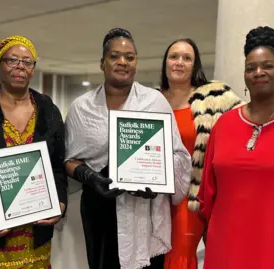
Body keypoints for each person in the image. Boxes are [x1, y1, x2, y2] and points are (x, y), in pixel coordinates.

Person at [159, 37, 274, 269]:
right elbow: (210, 190)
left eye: (268, 66)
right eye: (250, 68)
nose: (258, 72)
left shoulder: (216, 101)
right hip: (207, 229)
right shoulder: (223, 124)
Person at [64, 28, 191, 269]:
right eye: (115, 56)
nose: (123, 62)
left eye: (130, 57)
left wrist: (157, 183)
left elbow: (178, 156)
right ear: (103, 62)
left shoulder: (155, 102)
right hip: (99, 209)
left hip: (143, 209)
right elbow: (69, 159)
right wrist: (91, 178)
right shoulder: (82, 107)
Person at [0, 35, 67, 269]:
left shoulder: (49, 111)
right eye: (12, 60)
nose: (20, 66)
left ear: (33, 69)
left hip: (36, 234)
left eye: (27, 62)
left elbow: (58, 166)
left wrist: (59, 202)